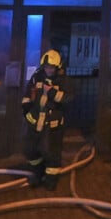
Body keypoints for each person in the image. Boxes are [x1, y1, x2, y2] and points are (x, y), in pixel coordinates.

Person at [21, 49, 71, 190]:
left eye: (52, 67)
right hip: (35, 121)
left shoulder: (64, 80)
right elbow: (27, 94)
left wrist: (52, 92)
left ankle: (51, 179)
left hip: (52, 124)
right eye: (47, 67)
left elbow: (67, 98)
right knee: (29, 149)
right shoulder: (37, 77)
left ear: (57, 67)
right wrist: (26, 111)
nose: (49, 70)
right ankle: (37, 172)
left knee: (51, 153)